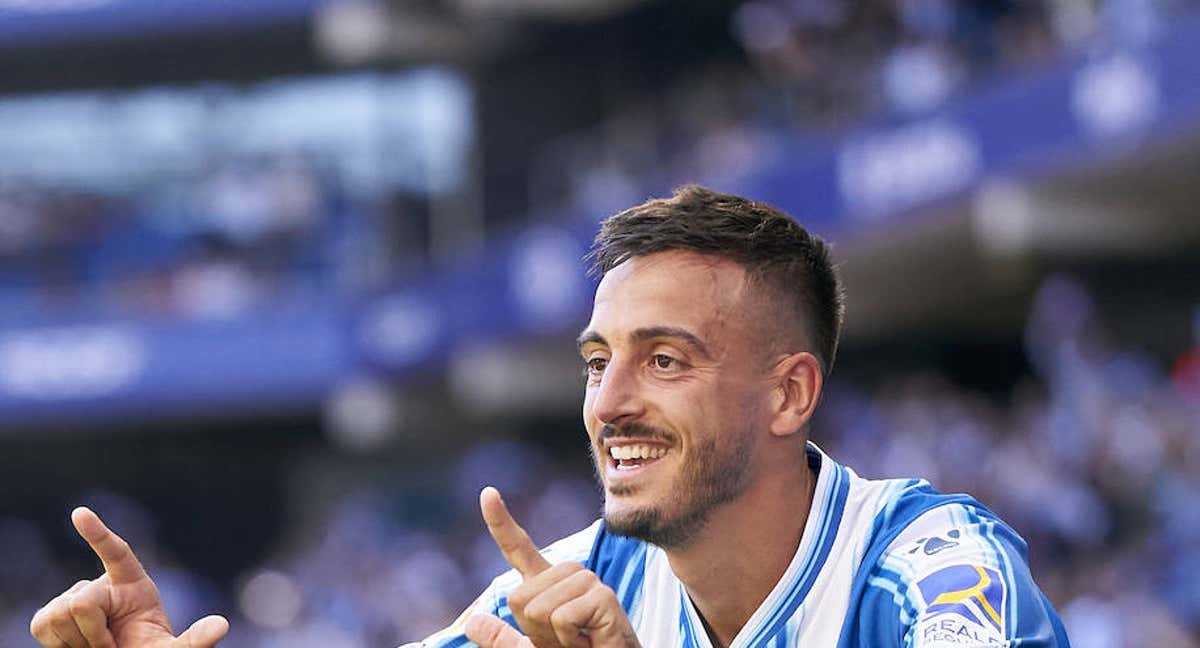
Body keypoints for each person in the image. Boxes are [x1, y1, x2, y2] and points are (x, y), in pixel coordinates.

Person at [30, 186, 1070, 648]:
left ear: (789, 393)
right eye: (595, 362)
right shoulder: (564, 593)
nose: (609, 402)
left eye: (665, 361)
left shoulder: (934, 566)